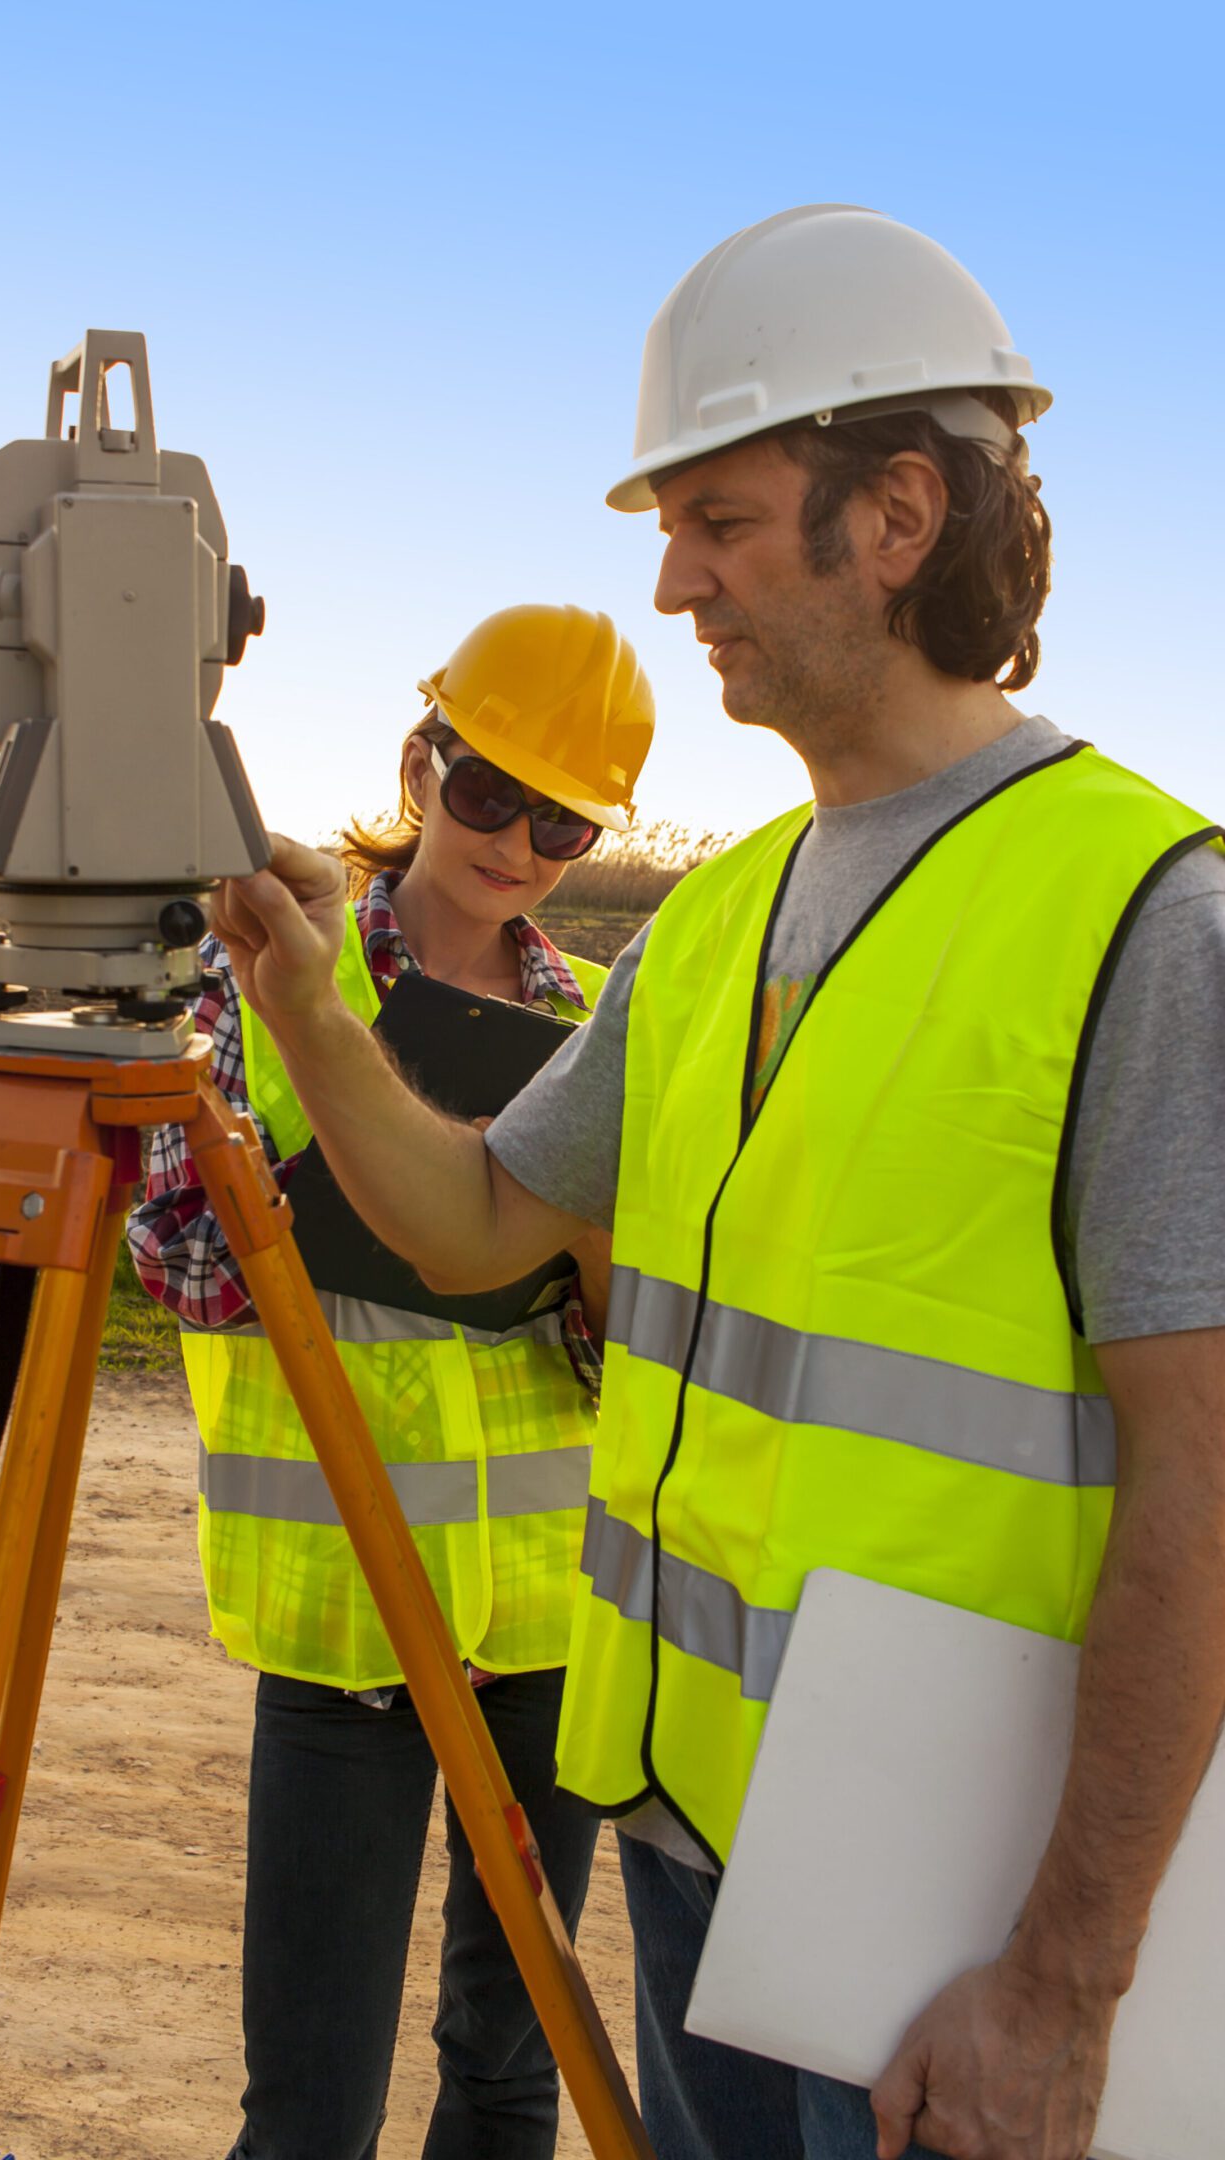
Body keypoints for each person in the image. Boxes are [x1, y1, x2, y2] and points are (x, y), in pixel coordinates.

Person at [205, 205, 1225, 2160]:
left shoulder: (1143, 918)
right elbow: (479, 1223)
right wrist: (314, 1010)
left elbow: (1207, 1480)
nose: (673, 582)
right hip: (695, 1857)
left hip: (952, 1928)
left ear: (898, 515)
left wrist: (1066, 1981)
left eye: (721, 523)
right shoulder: (713, 923)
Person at [128, 602, 655, 2160]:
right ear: (421, 763)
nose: (515, 845)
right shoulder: (265, 971)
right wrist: (369, 1189)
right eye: (488, 792)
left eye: (562, 822)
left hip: (552, 1615)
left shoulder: (592, 1024)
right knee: (311, 2109)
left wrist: (577, 1261)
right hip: (346, 1608)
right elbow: (181, 1259)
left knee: (508, 2073)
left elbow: (625, 1349)